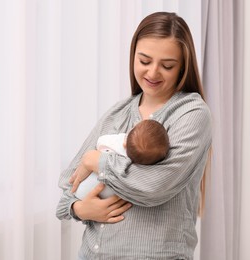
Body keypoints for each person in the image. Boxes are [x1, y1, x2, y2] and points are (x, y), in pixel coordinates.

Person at [56, 11, 212, 260]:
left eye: (167, 65)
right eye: (144, 61)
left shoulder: (192, 113)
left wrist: (96, 161)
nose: (152, 73)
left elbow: (154, 186)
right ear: (133, 58)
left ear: (183, 66)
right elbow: (67, 186)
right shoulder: (117, 114)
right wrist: (81, 209)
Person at [74, 119, 170, 200]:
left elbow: (100, 141)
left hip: (83, 191)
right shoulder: (137, 167)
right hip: (108, 196)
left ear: (125, 143)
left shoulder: (118, 142)